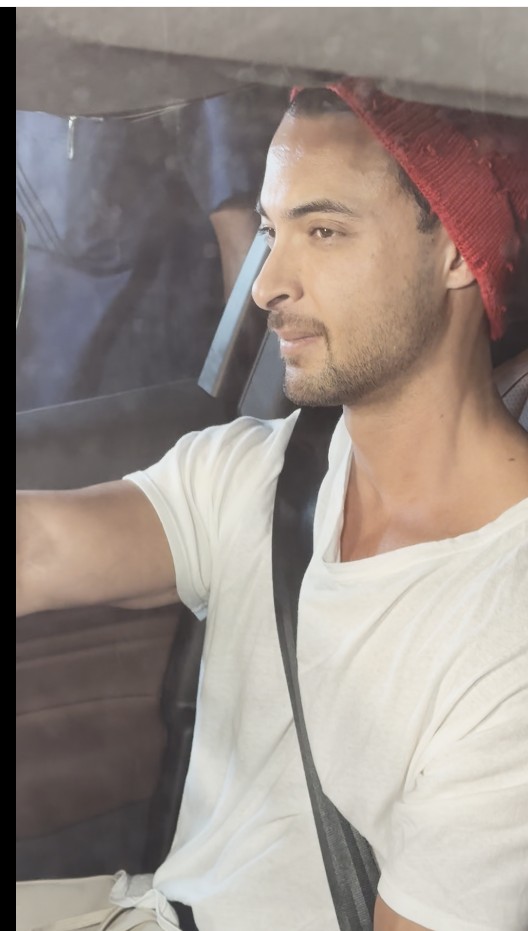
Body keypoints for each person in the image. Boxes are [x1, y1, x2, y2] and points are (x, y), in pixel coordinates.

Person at [16, 77, 528, 931]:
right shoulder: (262, 470)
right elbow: (34, 546)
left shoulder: (507, 626)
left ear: (454, 252)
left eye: (322, 231)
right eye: (268, 230)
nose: (265, 284)